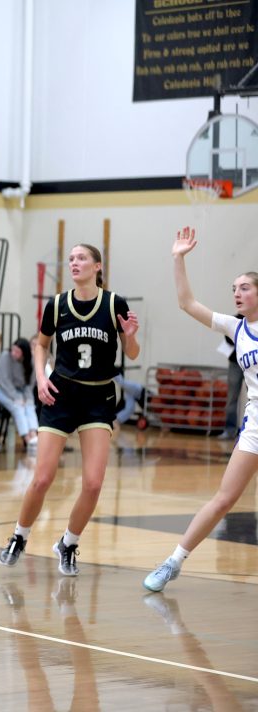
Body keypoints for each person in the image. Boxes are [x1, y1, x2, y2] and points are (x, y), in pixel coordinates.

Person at [0, 243, 140, 576]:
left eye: (81, 258)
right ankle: (19, 536)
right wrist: (40, 377)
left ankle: (69, 543)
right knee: (43, 477)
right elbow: (40, 345)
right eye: (72, 259)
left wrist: (130, 337)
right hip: (60, 395)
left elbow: (131, 354)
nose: (74, 263)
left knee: (92, 483)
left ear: (97, 266)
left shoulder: (114, 303)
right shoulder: (57, 304)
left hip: (98, 398)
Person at [143, 228, 258, 592]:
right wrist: (178, 258)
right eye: (234, 288)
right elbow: (187, 304)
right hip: (255, 422)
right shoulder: (235, 328)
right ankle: (173, 562)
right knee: (224, 498)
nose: (237, 293)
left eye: (245, 287)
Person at [0, 338, 39, 449]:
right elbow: (4, 380)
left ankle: (34, 434)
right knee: (17, 407)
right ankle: (26, 438)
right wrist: (16, 397)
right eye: (13, 350)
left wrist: (27, 398)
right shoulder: (5, 356)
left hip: (21, 390)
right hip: (0, 388)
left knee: (29, 405)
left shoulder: (31, 360)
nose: (14, 353)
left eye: (17, 352)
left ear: (24, 353)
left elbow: (30, 384)